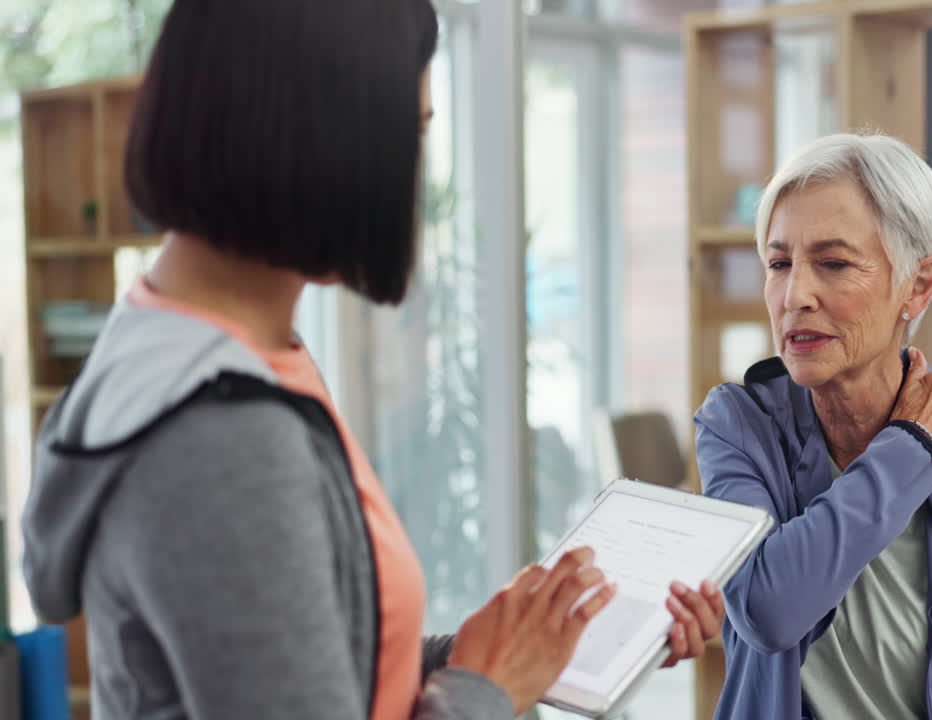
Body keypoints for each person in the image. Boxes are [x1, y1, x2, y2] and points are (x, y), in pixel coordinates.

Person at [21, 2, 723, 718]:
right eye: (411, 136)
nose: (416, 179)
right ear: (321, 135)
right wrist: (491, 688)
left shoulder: (198, 349)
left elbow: (327, 675)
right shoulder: (222, 433)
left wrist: (520, 649)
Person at [695, 133, 932, 720]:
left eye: (833, 263)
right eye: (779, 264)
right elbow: (768, 608)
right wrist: (912, 451)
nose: (795, 295)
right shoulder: (738, 427)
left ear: (918, 284)